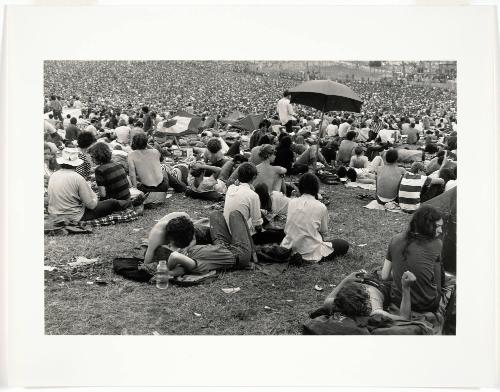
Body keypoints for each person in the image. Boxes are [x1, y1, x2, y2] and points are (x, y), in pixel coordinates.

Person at [141, 210, 254, 274]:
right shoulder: (189, 262)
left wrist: (167, 271)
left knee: (215, 214)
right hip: (239, 253)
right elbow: (176, 260)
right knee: (235, 214)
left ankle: (238, 242)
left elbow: (177, 259)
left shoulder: (185, 252)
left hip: (221, 246)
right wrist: (166, 271)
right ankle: (252, 252)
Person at [380, 205, 444, 313]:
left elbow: (384, 276)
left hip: (398, 301)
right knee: (439, 267)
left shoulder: (395, 239)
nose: (441, 230)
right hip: (427, 304)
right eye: (437, 226)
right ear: (426, 226)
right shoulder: (437, 244)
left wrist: (399, 274)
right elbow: (436, 277)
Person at [280, 173, 349, 262]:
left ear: (300, 187)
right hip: (309, 252)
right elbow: (323, 231)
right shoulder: (321, 206)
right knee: (343, 244)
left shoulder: (292, 202)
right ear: (316, 188)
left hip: (288, 248)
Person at [47, 148, 131, 221]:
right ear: (77, 164)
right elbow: (91, 205)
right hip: (75, 216)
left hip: (54, 215)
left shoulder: (53, 175)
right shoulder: (78, 178)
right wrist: (94, 196)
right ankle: (129, 204)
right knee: (112, 202)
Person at [319, 270, 417, 321]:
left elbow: (328, 300)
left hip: (368, 278)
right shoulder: (374, 311)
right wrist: (406, 288)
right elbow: (404, 319)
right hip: (383, 286)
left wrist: (346, 280)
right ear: (366, 300)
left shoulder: (337, 303)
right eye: (365, 290)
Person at [224, 162, 263, 235]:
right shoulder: (253, 195)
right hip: (241, 235)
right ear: (254, 177)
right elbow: (257, 225)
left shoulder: (230, 188)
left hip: (227, 231)